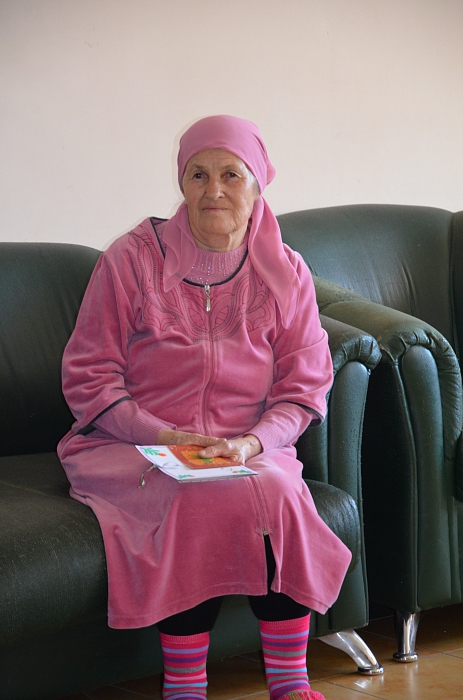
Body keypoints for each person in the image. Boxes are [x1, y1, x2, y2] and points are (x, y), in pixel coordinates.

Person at [58, 115, 351, 700]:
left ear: (258, 185)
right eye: (198, 175)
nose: (213, 190)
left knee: (279, 492)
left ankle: (290, 682)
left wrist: (253, 443)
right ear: (182, 182)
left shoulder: (288, 272)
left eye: (230, 175)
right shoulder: (130, 260)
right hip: (133, 444)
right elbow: (90, 376)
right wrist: (166, 438)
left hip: (247, 446)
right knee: (195, 495)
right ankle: (186, 684)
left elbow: (304, 387)